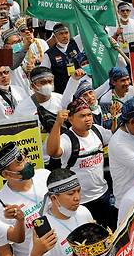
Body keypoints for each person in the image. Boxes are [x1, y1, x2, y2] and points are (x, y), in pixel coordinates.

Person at [24, 168, 93, 256]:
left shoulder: (83, 213)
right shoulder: (44, 231)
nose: (77, 198)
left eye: (78, 191)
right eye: (70, 193)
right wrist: (36, 254)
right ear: (54, 198)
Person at [47, 98, 115, 228]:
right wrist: (57, 124)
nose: (88, 118)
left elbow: (113, 137)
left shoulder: (97, 130)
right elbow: (53, 152)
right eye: (82, 116)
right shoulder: (66, 139)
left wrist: (115, 117)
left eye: (89, 115)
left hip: (103, 194)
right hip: (80, 202)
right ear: (71, 119)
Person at [41, 23, 87, 94]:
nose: (65, 36)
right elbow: (43, 74)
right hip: (62, 91)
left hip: (80, 88)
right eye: (61, 34)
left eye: (66, 33)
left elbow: (87, 30)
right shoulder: (49, 54)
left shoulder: (75, 43)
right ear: (55, 36)